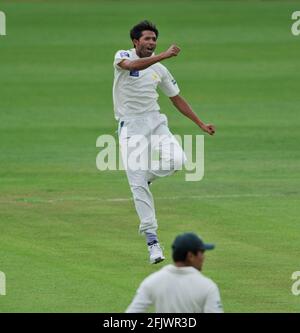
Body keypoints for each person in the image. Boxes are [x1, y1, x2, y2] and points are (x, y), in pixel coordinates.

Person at [113, 20, 216, 264]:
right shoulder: (122, 56)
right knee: (137, 185)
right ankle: (152, 241)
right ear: (135, 41)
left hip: (155, 122)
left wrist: (199, 123)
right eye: (147, 39)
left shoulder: (160, 69)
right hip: (131, 126)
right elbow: (131, 65)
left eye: (154, 39)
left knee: (178, 160)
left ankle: (146, 177)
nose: (151, 42)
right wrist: (164, 55)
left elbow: (176, 98)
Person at [126, 232, 223, 313]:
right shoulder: (207, 287)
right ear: (190, 256)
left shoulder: (153, 281)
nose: (203, 257)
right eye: (201, 252)